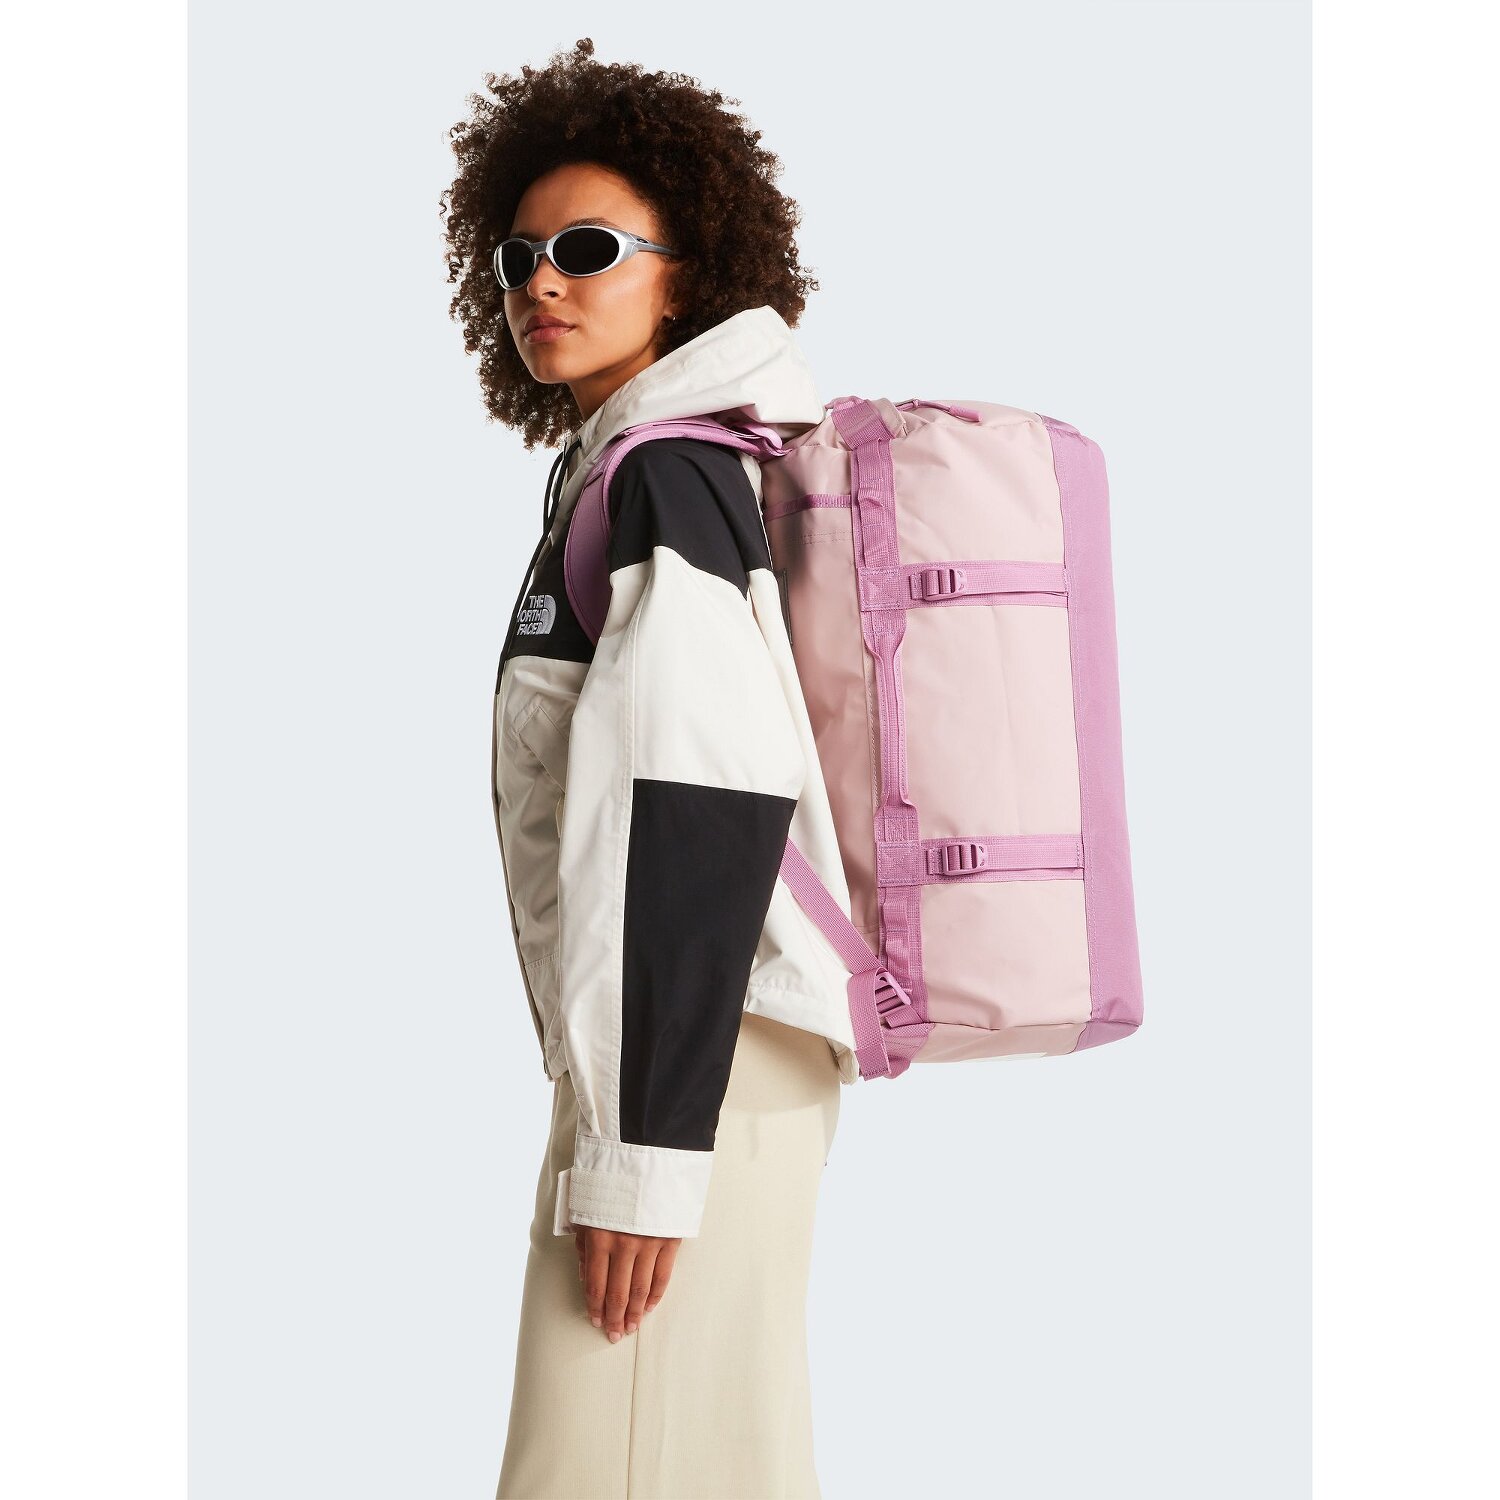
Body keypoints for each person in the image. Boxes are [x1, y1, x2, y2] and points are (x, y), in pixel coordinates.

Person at [442, 38, 865, 1499]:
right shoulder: (641, 473)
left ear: (684, 281)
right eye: (519, 257)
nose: (540, 284)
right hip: (695, 1051)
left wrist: (641, 1150)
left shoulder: (668, 479)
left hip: (697, 1057)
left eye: (588, 250)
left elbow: (697, 803)